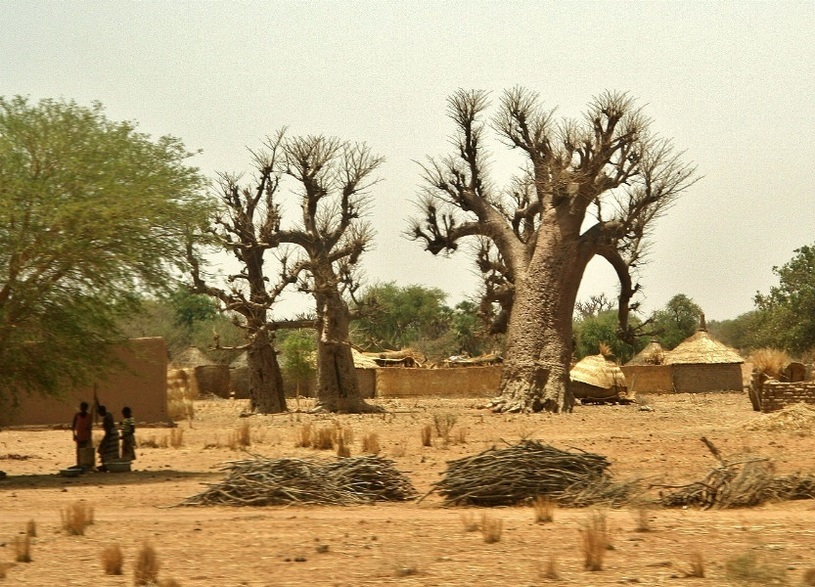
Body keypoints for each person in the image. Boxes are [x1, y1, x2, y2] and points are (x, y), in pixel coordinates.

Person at [95, 405, 119, 472]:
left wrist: (103, 443)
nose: (99, 414)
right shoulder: (109, 414)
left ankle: (107, 466)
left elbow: (108, 433)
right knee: (112, 451)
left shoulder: (106, 418)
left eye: (99, 412)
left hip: (111, 435)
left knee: (106, 451)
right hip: (115, 433)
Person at [71, 401, 93, 469]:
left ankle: (85, 465)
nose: (83, 408)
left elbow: (90, 428)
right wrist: (74, 435)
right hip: (79, 437)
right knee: (79, 452)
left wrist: (89, 437)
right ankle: (79, 465)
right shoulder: (77, 415)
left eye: (84, 407)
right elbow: (73, 426)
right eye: (82, 407)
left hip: (86, 437)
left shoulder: (89, 416)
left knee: (85, 452)